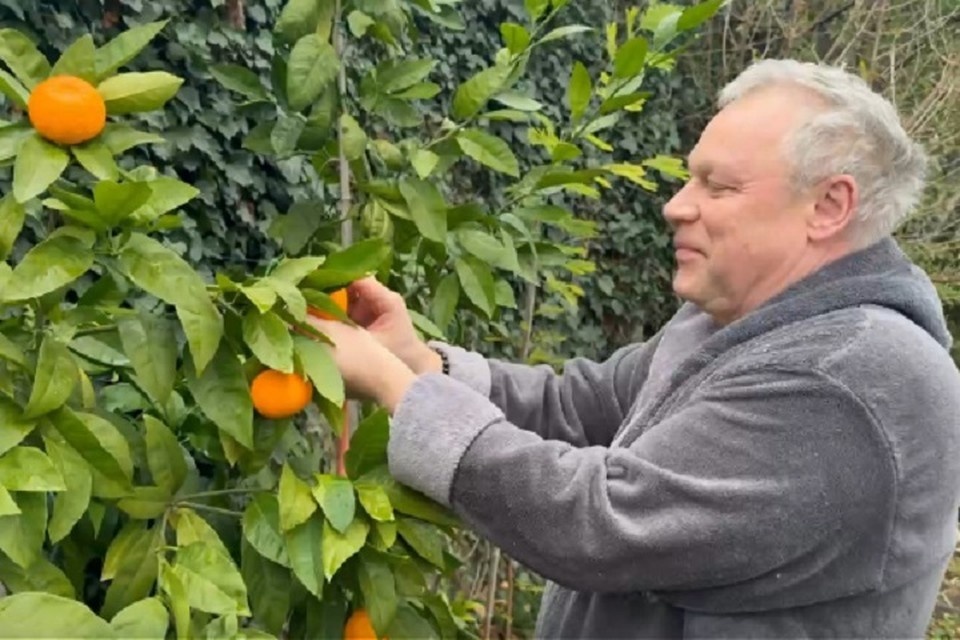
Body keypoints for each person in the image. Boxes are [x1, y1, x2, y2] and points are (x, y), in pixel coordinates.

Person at [308, 58, 960, 638]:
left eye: (718, 186)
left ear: (828, 206)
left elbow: (603, 524)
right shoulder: (735, 322)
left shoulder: (845, 380)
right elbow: (583, 404)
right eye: (688, 180)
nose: (676, 206)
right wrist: (421, 362)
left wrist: (402, 392)